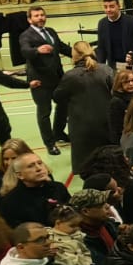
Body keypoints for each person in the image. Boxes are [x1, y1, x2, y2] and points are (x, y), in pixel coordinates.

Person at [52, 43, 113, 181]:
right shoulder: (106, 70)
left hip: (82, 127)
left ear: (74, 55)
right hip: (105, 124)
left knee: (87, 169)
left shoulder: (70, 75)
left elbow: (57, 96)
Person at [17, 8, 71, 158]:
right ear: (29, 19)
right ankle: (50, 143)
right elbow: (25, 51)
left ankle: (58, 133)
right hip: (40, 81)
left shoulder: (51, 32)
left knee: (63, 105)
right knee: (44, 112)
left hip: (57, 78)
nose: (40, 18)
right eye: (36, 16)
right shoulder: (25, 35)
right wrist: (37, 51)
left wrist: (80, 53)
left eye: (42, 15)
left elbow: (61, 47)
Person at [0, 153, 71, 229]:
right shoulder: (11, 201)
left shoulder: (58, 187)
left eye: (40, 163)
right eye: (30, 166)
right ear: (20, 175)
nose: (38, 168)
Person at [94, 0, 133, 68]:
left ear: (119, 6)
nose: (108, 10)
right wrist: (101, 67)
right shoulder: (102, 23)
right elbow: (101, 47)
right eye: (105, 7)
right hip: (112, 66)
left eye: (112, 6)